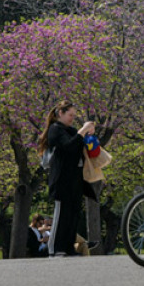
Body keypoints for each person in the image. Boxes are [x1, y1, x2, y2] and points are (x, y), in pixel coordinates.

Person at [38, 100, 96, 257]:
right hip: (62, 181)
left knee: (73, 215)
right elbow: (69, 146)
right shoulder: (55, 130)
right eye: (70, 114)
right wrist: (83, 130)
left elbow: (79, 145)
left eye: (74, 115)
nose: (72, 118)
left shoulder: (71, 130)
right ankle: (55, 248)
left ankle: (69, 247)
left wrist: (89, 137)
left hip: (75, 181)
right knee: (62, 216)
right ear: (60, 114)